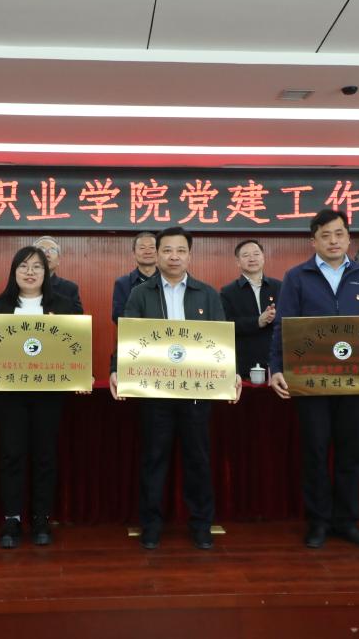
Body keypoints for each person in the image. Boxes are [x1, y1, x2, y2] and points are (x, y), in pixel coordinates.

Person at [269, 210, 359, 549]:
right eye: (325, 235)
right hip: (310, 379)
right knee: (315, 450)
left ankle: (346, 521)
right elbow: (282, 326)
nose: (333, 241)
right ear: (313, 241)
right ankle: (318, 522)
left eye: (338, 234)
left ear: (349, 238)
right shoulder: (297, 276)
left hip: (357, 379)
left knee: (351, 451)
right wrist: (276, 367)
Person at [109, 226, 241, 551]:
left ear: (189, 255)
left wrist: (232, 372)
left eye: (180, 250)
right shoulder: (140, 294)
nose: (173, 256)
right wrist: (116, 369)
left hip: (196, 391)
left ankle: (201, 524)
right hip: (155, 391)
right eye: (167, 250)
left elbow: (221, 341)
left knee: (198, 459)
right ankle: (151, 525)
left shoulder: (207, 294)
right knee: (154, 459)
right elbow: (128, 338)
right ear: (157, 254)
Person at [0, 246, 82, 549]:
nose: (30, 272)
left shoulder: (63, 305)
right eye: (24, 266)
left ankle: (42, 518)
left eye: (37, 267)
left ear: (47, 272)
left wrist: (82, 374)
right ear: (14, 271)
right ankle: (12, 519)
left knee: (45, 456)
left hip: (48, 393)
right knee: (11, 455)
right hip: (9, 394)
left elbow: (77, 347)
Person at [219, 239, 282, 378]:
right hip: (244, 364)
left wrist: (276, 316)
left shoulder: (279, 287)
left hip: (276, 363)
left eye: (256, 254)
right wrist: (258, 321)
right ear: (238, 262)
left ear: (263, 258)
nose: (252, 259)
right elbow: (225, 325)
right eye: (246, 255)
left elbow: (290, 319)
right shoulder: (228, 292)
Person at [111, 231, 158, 323]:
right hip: (134, 331)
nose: (147, 252)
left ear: (158, 252)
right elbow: (118, 317)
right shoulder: (122, 283)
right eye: (142, 248)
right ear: (134, 253)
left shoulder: (168, 281)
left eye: (152, 247)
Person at [32, 235, 83, 312]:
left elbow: (77, 318)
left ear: (58, 260)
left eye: (52, 251)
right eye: (41, 250)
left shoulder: (69, 289)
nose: (47, 255)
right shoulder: (21, 284)